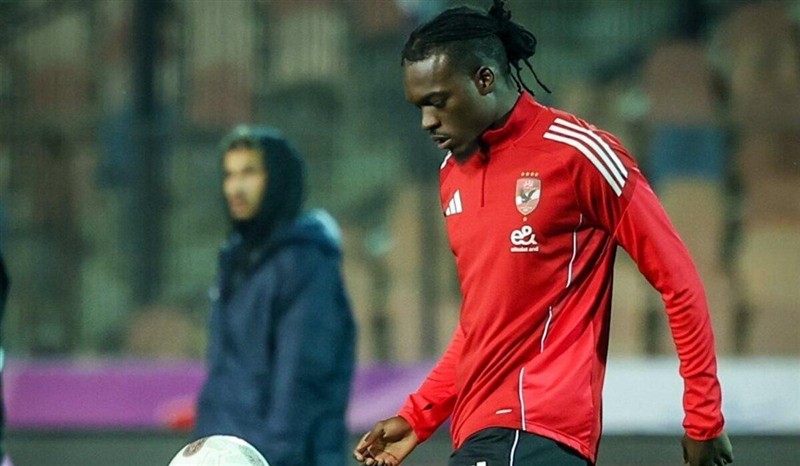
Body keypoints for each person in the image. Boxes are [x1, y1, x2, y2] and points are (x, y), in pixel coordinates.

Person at [354, 2, 734, 466]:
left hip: (535, 432)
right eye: (419, 107)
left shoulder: (579, 154)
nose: (426, 121)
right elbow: (484, 324)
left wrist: (703, 418)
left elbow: (680, 281)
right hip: (485, 435)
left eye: (438, 101)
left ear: (484, 79)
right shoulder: (453, 173)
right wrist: (418, 416)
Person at [194, 125, 356, 466]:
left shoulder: (305, 262)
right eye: (229, 174)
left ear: (279, 179)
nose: (235, 188)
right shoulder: (235, 259)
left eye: (249, 172)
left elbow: (300, 386)